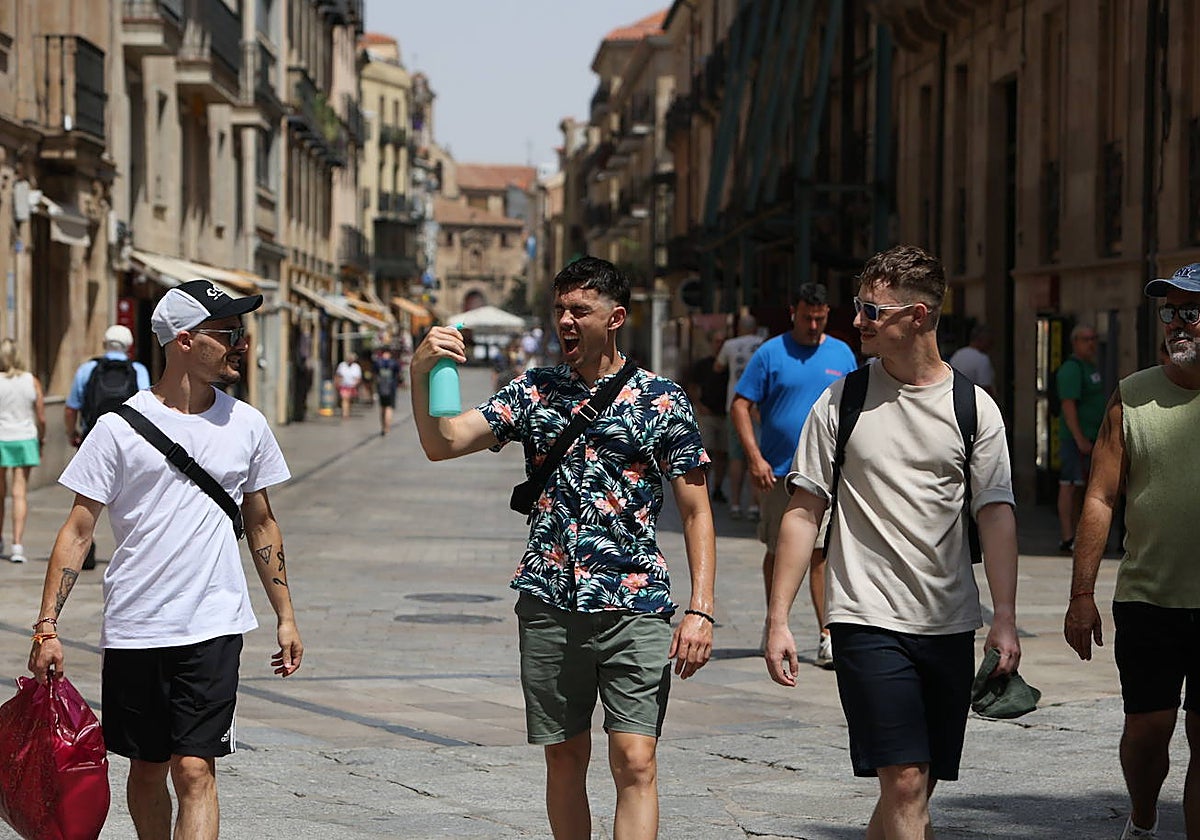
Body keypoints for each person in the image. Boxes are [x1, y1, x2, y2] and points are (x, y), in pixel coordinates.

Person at [410, 256, 716, 840]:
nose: (566, 322)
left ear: (616, 317)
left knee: (636, 760)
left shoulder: (663, 399)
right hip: (550, 603)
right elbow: (442, 443)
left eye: (581, 310)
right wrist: (418, 373)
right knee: (564, 758)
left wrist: (701, 609)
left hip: (636, 605)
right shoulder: (535, 391)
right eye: (560, 311)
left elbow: (698, 511)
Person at [28, 278, 303, 840]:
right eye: (227, 332)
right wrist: (46, 626)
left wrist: (285, 615)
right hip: (136, 625)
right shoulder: (116, 429)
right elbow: (79, 530)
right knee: (148, 768)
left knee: (196, 768)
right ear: (183, 340)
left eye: (240, 332)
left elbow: (262, 521)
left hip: (215, 622)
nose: (241, 344)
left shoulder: (247, 423)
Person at [765, 245, 1020, 840]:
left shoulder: (972, 408)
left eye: (871, 311)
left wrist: (1003, 617)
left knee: (916, 787)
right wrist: (779, 618)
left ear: (920, 316)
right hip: (866, 619)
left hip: (948, 622)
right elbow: (804, 512)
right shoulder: (843, 400)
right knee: (904, 782)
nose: (856, 321)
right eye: (859, 307)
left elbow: (997, 515)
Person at [1064, 264, 1200, 840]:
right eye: (1168, 312)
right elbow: (1099, 496)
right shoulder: (1133, 396)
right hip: (1149, 598)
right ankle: (1143, 817)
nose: (1176, 324)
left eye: (1189, 311)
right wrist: (1081, 594)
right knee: (1148, 731)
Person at [731, 283, 856, 667]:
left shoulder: (842, 353)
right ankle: (776, 622)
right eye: (807, 317)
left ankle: (827, 633)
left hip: (829, 472)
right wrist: (754, 457)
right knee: (776, 549)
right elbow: (740, 404)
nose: (813, 325)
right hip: (781, 472)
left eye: (820, 318)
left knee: (820, 553)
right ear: (793, 313)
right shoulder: (771, 353)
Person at [64, 324, 151, 570]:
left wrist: (73, 434)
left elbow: (72, 407)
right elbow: (147, 407)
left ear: (104, 343)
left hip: (94, 441)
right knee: (135, 499)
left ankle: (86, 550)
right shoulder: (139, 370)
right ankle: (135, 553)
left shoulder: (88, 369)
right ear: (129, 346)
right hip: (134, 443)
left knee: (86, 501)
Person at [1055, 324, 1105, 554]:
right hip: (1076, 440)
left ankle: (1078, 533)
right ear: (1075, 342)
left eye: (1094, 338)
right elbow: (1068, 406)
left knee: (1082, 488)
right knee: (1071, 486)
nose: (1091, 343)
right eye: (1086, 339)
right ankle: (1067, 536)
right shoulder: (1071, 369)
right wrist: (1079, 439)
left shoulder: (1090, 367)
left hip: (1093, 437)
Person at [714, 313, 764, 520]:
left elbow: (717, 367)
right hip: (759, 405)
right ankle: (754, 504)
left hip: (734, 404)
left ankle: (735, 503)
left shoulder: (730, 345)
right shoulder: (763, 344)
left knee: (736, 456)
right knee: (758, 454)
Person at [0, 339, 45, 563]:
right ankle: (17, 545)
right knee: (19, 493)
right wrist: (42, 437)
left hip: (1, 438)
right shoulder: (31, 381)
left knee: (0, 493)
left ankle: (0, 539)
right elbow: (41, 415)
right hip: (25, 437)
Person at [686, 331, 729, 503]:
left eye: (722, 341)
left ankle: (718, 488)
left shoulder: (729, 365)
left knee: (722, 454)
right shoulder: (703, 365)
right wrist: (699, 406)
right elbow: (692, 386)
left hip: (724, 414)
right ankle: (704, 488)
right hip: (707, 414)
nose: (720, 345)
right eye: (717, 341)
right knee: (706, 452)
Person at [949, 323, 996, 397]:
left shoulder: (958, 354)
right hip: (974, 401)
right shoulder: (982, 359)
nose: (991, 346)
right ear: (981, 340)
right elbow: (986, 387)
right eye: (989, 342)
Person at [374, 346, 400, 436]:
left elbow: (375, 373)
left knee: (382, 408)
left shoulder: (378, 362)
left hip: (381, 388)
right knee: (389, 408)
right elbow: (398, 374)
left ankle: (383, 427)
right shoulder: (394, 363)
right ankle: (387, 427)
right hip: (391, 388)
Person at [335, 353, 363, 419]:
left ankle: (347, 411)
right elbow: (338, 375)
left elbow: (358, 377)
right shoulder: (342, 365)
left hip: (352, 386)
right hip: (344, 385)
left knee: (349, 400)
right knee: (345, 398)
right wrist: (337, 382)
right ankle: (345, 414)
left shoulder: (356, 367)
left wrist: (356, 384)